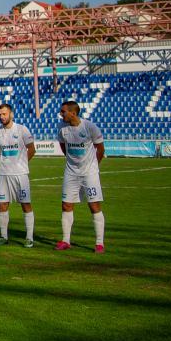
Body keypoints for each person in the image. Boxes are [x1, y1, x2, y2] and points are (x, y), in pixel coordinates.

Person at [56, 100, 106, 253]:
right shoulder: (61, 128)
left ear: (73, 113)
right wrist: (72, 162)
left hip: (89, 174)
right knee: (66, 205)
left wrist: (93, 166)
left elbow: (100, 149)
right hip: (71, 173)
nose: (61, 114)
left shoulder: (90, 127)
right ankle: (66, 240)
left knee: (94, 206)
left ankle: (99, 243)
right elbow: (63, 146)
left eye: (63, 111)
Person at [0, 103, 36, 247]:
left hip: (20, 174)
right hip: (3, 174)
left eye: (4, 114)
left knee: (25, 204)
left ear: (11, 114)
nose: (1, 117)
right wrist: (6, 163)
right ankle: (3, 236)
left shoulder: (22, 129)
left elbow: (31, 149)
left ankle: (29, 237)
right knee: (2, 204)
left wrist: (20, 163)